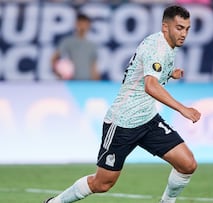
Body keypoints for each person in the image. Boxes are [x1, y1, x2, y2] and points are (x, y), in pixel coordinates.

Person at [44, 5, 201, 203]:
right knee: (102, 183)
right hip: (123, 122)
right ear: (165, 27)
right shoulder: (157, 48)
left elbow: (145, 72)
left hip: (148, 119)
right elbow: (150, 86)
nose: (184, 33)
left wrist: (170, 73)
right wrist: (183, 109)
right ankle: (54, 202)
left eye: (187, 28)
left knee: (187, 164)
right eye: (179, 28)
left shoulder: (166, 45)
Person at [51, 13, 100, 80]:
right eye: (80, 24)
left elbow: (94, 67)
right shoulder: (68, 42)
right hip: (71, 83)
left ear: (89, 26)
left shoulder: (92, 45)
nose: (82, 27)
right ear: (76, 24)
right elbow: (54, 58)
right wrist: (58, 73)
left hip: (87, 83)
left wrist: (96, 84)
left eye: (85, 24)